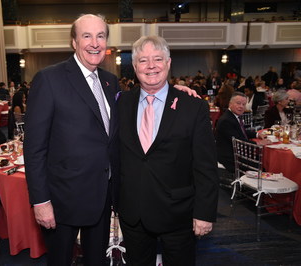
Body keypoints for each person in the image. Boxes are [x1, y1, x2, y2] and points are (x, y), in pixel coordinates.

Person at [23, 14, 120, 266]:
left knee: (96, 260)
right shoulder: (50, 79)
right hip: (62, 199)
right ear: (74, 42)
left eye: (100, 36)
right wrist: (40, 201)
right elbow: (34, 148)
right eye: (86, 36)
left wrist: (177, 92)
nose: (94, 43)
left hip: (101, 195)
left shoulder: (111, 81)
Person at [118, 35, 219, 265]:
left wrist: (204, 213)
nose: (151, 66)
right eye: (143, 61)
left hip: (179, 214)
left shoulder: (193, 106)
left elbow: (205, 165)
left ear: (168, 63)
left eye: (157, 59)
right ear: (135, 67)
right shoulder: (121, 103)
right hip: (134, 214)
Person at [216, 92, 266, 173]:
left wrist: (257, 134)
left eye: (244, 104)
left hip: (237, 152)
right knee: (262, 165)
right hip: (230, 158)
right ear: (230, 104)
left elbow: (240, 131)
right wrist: (258, 144)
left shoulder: (232, 115)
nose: (241, 106)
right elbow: (238, 141)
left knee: (262, 160)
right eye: (238, 103)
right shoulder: (226, 120)